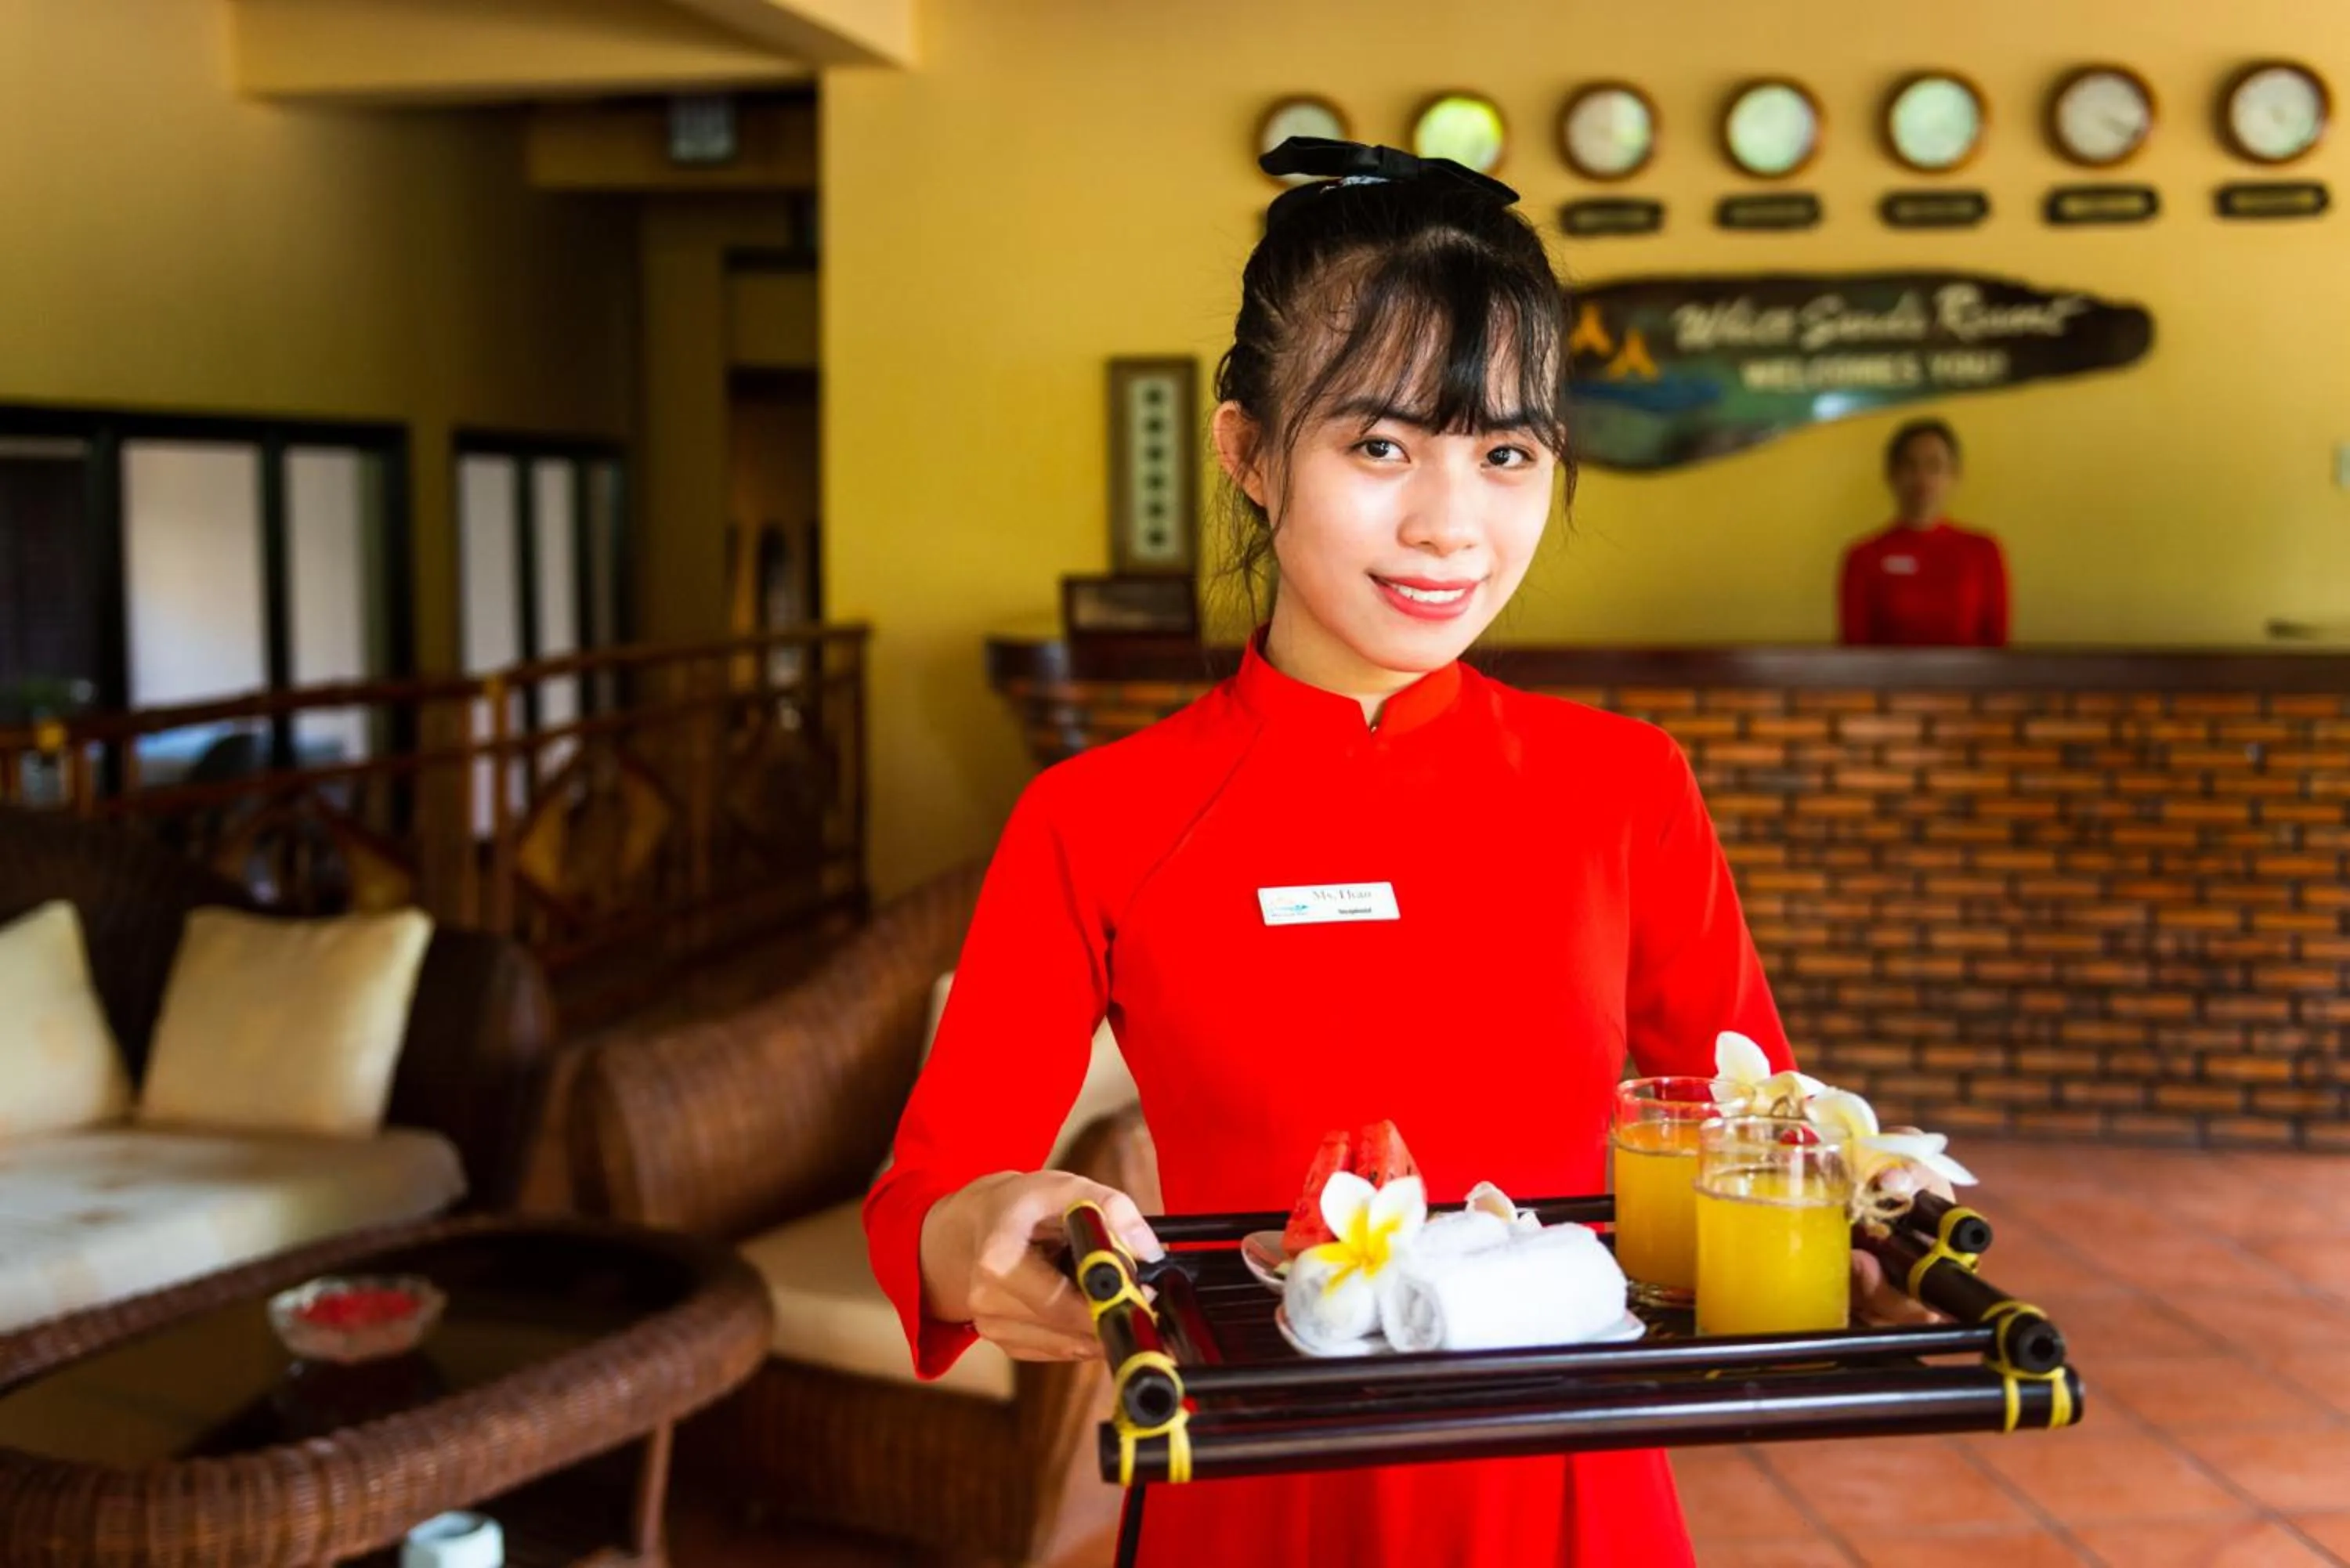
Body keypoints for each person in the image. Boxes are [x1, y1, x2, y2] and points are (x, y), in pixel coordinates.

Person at [866, 138, 1918, 1567]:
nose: (1451, 525)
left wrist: (1855, 1223)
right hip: (1250, 1499)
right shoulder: (1098, 815)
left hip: (1569, 1494)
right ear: (1245, 449)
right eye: (1379, 445)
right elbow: (934, 1193)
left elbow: (1761, 1125)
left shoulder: (1628, 786)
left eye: (1504, 452)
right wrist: (988, 1226)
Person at [1838, 417, 2010, 647]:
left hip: (1965, 683)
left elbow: (1996, 648)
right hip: (1887, 683)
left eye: (1934, 466)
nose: (1922, 478)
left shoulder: (1984, 552)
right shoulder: (1863, 557)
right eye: (1910, 466)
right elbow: (1854, 650)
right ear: (1892, 475)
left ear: (1954, 475)